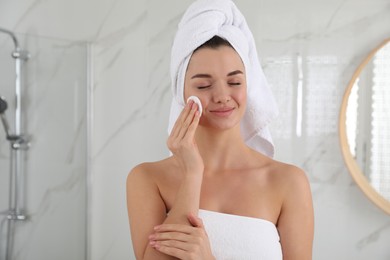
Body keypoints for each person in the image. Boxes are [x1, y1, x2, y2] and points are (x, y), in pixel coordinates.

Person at [127, 0, 314, 259]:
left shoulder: (288, 182)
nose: (223, 96)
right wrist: (193, 173)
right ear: (182, 93)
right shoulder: (148, 179)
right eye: (203, 86)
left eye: (235, 81)